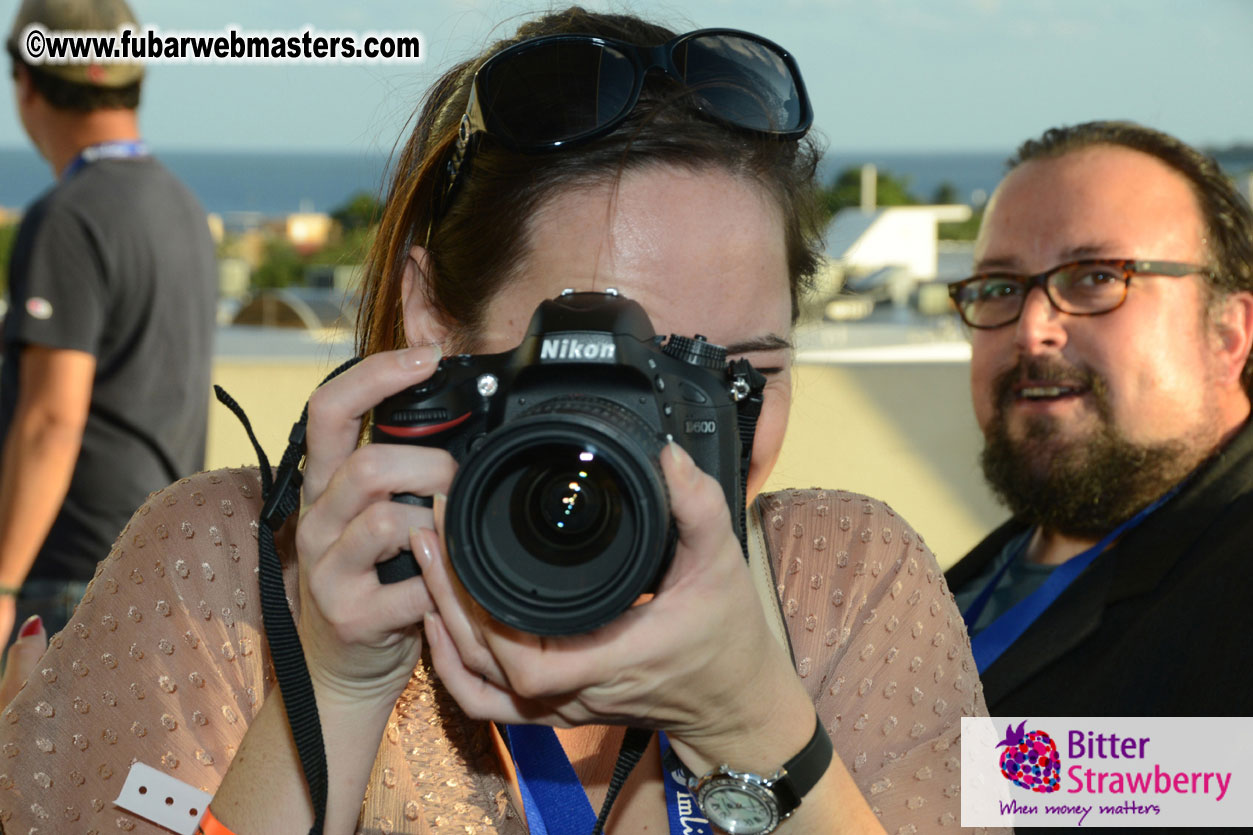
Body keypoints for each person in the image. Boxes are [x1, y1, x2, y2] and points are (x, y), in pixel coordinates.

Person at [0, 9, 1001, 834]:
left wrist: (753, 725)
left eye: (736, 374)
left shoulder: (844, 585)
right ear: (434, 320)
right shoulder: (221, 571)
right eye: (619, 370)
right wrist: (333, 692)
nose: (665, 442)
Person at [946, 120, 1253, 715]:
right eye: (1000, 287)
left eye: (1097, 277)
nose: (1031, 330)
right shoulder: (944, 587)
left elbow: (1197, 770)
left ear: (1228, 333)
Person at [0, 0, 218, 648]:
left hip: (71, 579)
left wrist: (4, 584)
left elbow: (52, 419)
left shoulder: (67, 217)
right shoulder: (182, 206)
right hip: (159, 563)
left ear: (27, 81)